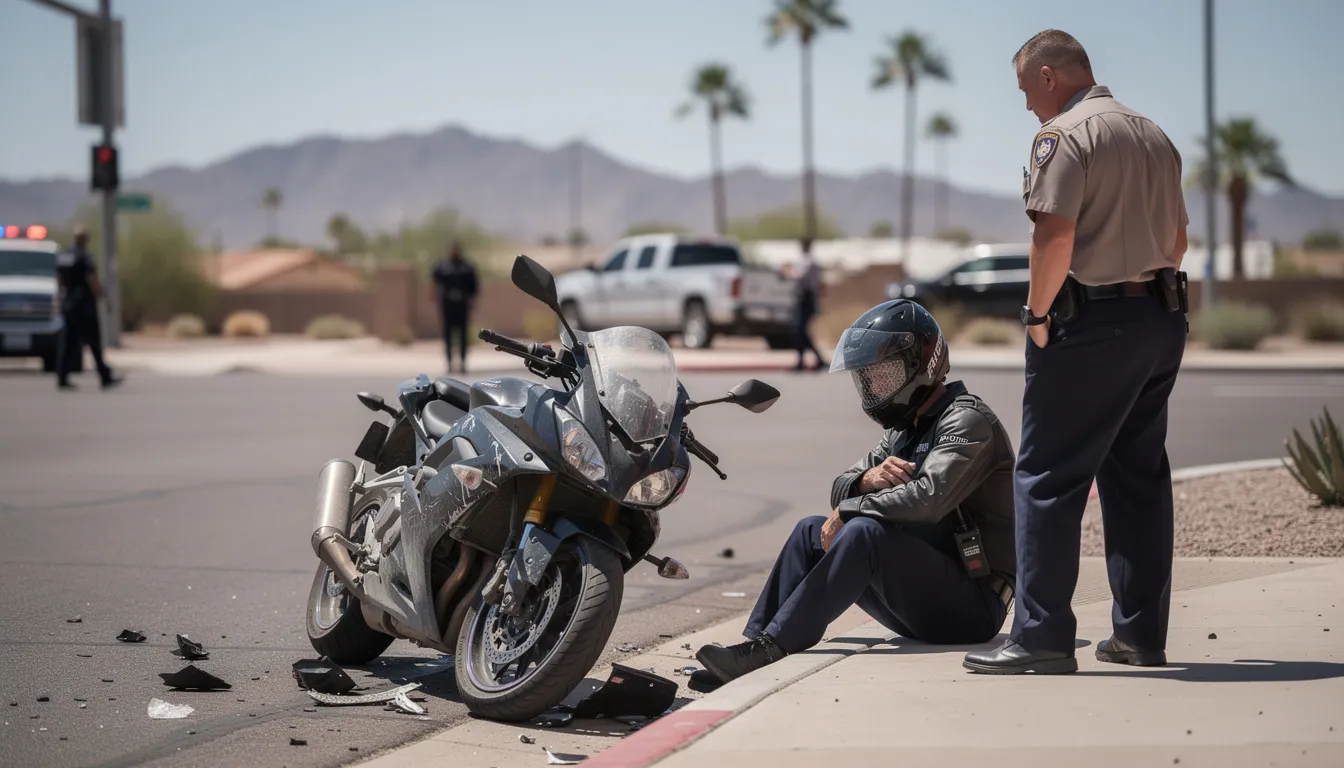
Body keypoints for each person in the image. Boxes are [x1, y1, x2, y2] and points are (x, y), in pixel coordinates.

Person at [962, 30, 1188, 675]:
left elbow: (1053, 234)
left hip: (1089, 327)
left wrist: (1037, 315)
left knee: (1046, 479)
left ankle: (1040, 637)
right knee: (1137, 479)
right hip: (1159, 318)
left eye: (1027, 89)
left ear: (1049, 74)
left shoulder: (1065, 134)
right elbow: (1177, 238)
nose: (1029, 105)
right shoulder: (1153, 134)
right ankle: (1140, 637)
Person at [696, 299, 1017, 684]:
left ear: (920, 364)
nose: (874, 386)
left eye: (883, 374)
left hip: (973, 605)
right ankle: (750, 650)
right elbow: (840, 487)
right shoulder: (904, 430)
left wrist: (852, 508)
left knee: (863, 532)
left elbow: (927, 500)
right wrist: (865, 482)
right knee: (809, 531)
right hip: (926, 593)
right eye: (868, 377)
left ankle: (772, 647)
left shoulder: (966, 421)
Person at [54, 226, 120, 391]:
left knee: (68, 343)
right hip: (84, 306)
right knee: (94, 342)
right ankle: (105, 377)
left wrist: (59, 302)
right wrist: (104, 299)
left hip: (68, 305)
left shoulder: (64, 256)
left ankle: (62, 377)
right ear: (85, 239)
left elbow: (59, 281)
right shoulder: (85, 256)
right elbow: (92, 280)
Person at [432, 240, 478, 374]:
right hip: (447, 306)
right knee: (448, 335)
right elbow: (434, 283)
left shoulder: (467, 267)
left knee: (463, 335)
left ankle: (463, 363)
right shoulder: (443, 266)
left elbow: (474, 288)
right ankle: (449, 363)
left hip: (462, 306)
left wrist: (472, 302)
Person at [786, 238, 826, 371]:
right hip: (805, 297)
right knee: (802, 331)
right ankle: (813, 359)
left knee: (800, 330)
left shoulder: (808, 261)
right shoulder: (808, 261)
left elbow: (800, 276)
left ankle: (805, 361)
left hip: (806, 297)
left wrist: (787, 271)